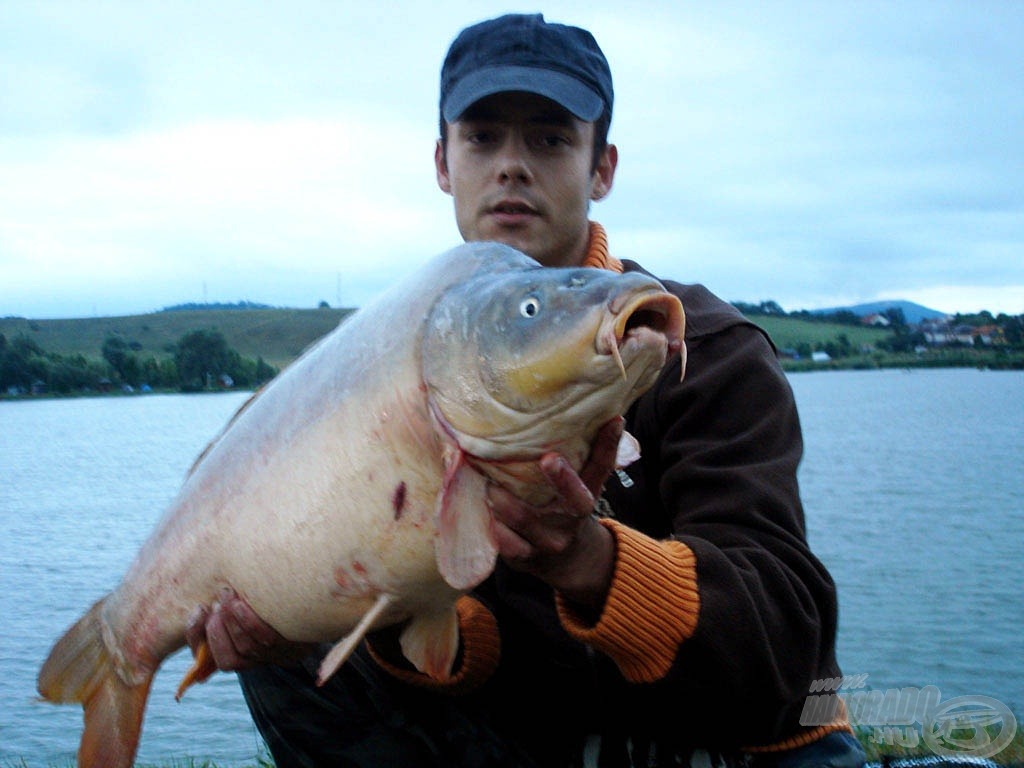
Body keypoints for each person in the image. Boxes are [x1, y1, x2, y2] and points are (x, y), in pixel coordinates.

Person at [186, 13, 866, 768]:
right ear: (443, 162)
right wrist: (314, 617)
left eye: (549, 139)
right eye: (482, 138)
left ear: (601, 167)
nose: (512, 166)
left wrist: (589, 560)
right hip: (541, 725)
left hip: (732, 736)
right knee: (300, 655)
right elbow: (458, 628)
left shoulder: (708, 350)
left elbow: (786, 652)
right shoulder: (397, 367)